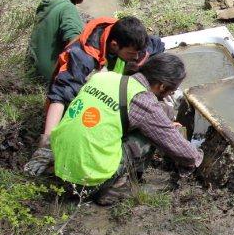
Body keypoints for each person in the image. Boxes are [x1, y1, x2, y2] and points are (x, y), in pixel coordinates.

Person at [48, 53, 202, 205]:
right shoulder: (143, 101)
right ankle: (114, 187)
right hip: (85, 181)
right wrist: (197, 155)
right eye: (171, 91)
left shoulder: (104, 77)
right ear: (162, 86)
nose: (171, 94)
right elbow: (185, 153)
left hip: (58, 164)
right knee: (147, 136)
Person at [24, 15, 165, 176]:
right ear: (114, 45)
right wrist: (46, 143)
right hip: (74, 104)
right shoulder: (81, 56)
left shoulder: (130, 39)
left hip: (102, 97)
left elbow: (157, 46)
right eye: (132, 54)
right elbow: (59, 97)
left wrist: (141, 65)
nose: (136, 57)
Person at [28, 0, 86, 84]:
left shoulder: (45, 6)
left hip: (31, 72)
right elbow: (74, 39)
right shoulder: (68, 7)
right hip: (50, 75)